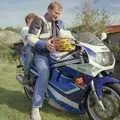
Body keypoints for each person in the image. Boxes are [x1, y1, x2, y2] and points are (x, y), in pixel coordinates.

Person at [28, 1, 64, 120]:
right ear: (49, 10)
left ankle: (58, 99)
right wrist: (43, 44)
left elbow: (64, 34)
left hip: (55, 54)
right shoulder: (39, 20)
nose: (57, 16)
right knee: (44, 72)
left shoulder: (58, 22)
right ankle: (36, 107)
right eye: (55, 13)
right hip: (41, 54)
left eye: (59, 14)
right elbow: (31, 37)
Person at [19, 13, 39, 84]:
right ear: (28, 20)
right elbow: (29, 38)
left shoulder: (37, 29)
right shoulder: (25, 29)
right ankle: (26, 75)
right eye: (34, 20)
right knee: (30, 51)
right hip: (30, 46)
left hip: (38, 46)